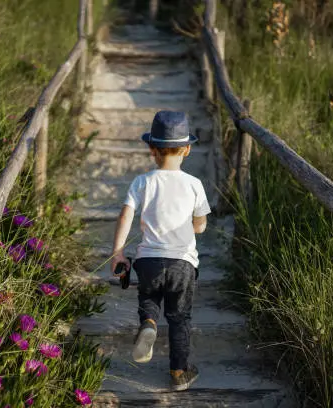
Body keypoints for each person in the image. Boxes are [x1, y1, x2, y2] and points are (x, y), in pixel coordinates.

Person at [110, 110, 211, 391]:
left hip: (149, 260)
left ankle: (149, 323)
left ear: (152, 149)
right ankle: (179, 372)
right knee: (180, 317)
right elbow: (201, 225)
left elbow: (125, 216)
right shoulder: (194, 184)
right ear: (187, 149)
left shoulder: (142, 182)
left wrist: (118, 252)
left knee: (149, 299)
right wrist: (192, 226)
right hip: (183, 263)